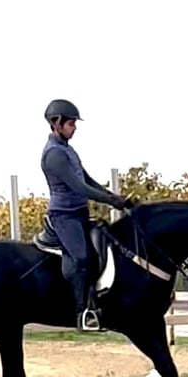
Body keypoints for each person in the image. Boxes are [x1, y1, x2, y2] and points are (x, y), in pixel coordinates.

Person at [40, 98, 131, 331]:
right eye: (71, 123)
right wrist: (111, 201)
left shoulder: (68, 151)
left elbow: (88, 180)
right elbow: (78, 187)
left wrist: (115, 197)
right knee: (81, 259)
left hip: (79, 213)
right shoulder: (54, 154)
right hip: (64, 216)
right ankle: (83, 313)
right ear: (56, 123)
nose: (74, 127)